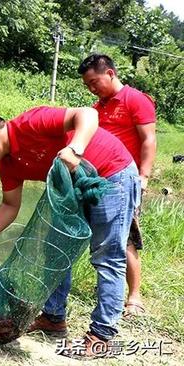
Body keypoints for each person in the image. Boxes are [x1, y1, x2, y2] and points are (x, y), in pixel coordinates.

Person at [0, 106, 140, 358]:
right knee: (55, 251)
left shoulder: (31, 122)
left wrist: (74, 148)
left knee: (107, 255)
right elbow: (10, 205)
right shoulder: (8, 164)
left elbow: (87, 115)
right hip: (74, 188)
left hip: (112, 173)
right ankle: (54, 318)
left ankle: (103, 335)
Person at [78, 54, 156, 317]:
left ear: (110, 73)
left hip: (126, 180)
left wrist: (143, 177)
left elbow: (148, 140)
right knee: (105, 238)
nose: (92, 88)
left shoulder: (136, 100)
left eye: (94, 81)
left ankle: (134, 296)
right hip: (101, 181)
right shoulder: (98, 107)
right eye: (87, 84)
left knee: (126, 238)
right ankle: (110, 290)